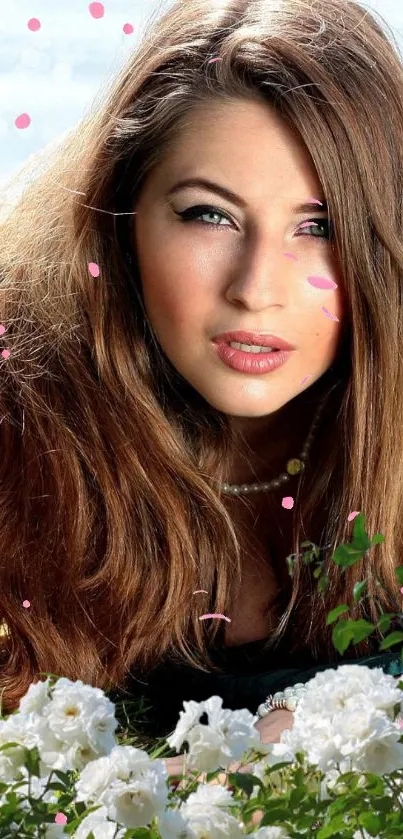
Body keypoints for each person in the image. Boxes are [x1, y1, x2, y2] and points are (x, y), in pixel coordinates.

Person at [1, 0, 403, 764]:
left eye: (318, 228)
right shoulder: (21, 416)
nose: (257, 288)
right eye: (209, 216)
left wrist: (307, 729)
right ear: (118, 218)